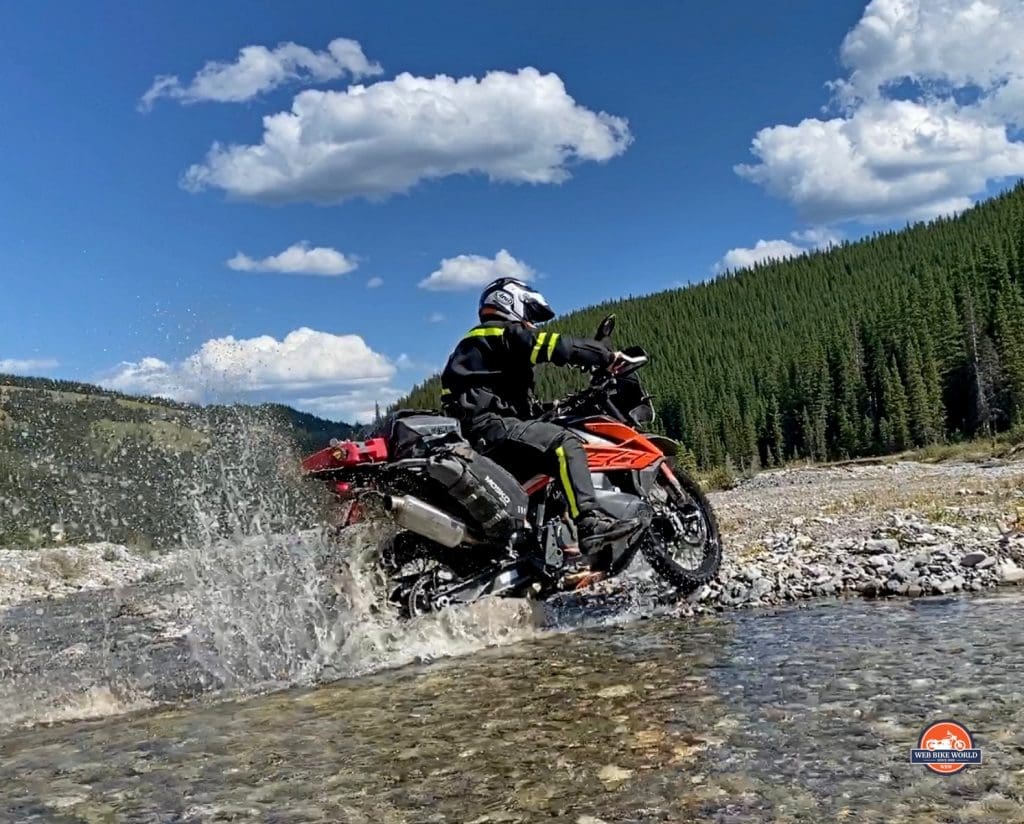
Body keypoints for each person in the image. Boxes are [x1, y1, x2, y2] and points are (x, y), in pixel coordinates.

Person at [439, 277, 641, 550]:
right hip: (489, 427)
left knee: (544, 458)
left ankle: (550, 546)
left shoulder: (484, 351)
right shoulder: (495, 333)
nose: (531, 324)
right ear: (509, 302)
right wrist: (603, 355)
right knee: (565, 444)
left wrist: (549, 409)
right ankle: (589, 523)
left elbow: (507, 400)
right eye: (530, 315)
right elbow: (551, 345)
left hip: (483, 431)